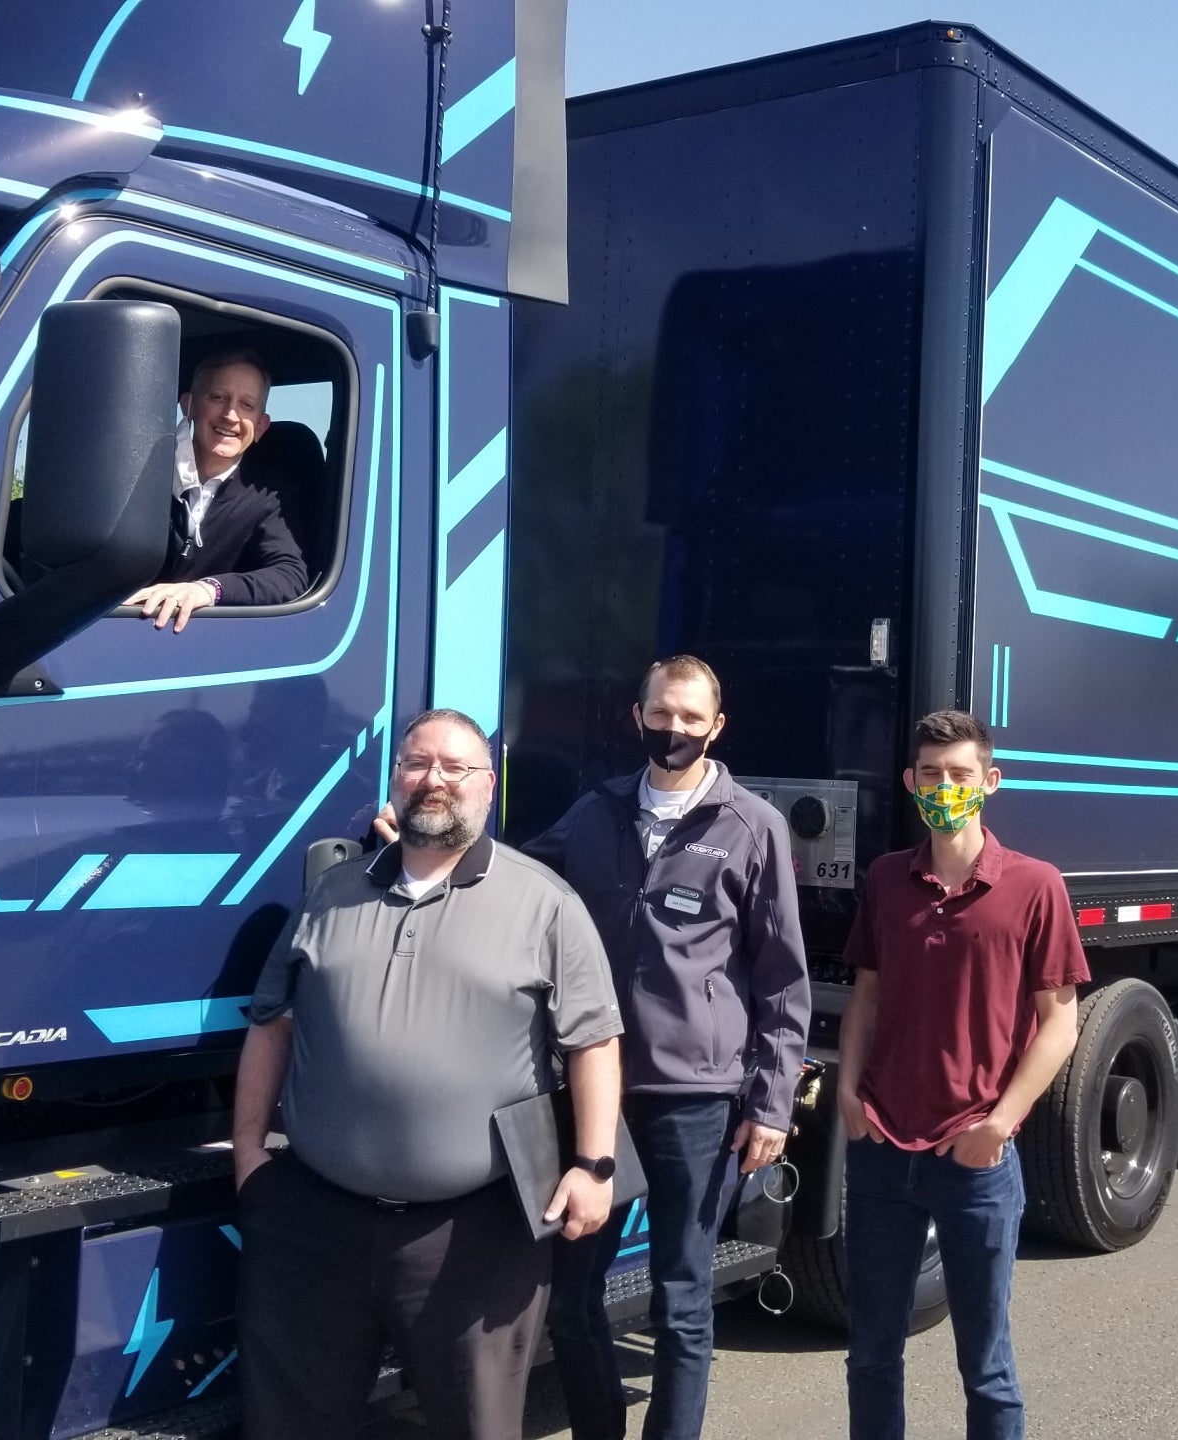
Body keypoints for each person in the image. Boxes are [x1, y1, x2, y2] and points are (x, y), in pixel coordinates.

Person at [231, 708, 624, 1439]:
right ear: (395, 779)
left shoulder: (543, 903)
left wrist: (593, 1166)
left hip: (474, 1233)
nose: (434, 780)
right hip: (318, 1221)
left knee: (474, 1426)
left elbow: (594, 1042)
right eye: (417, 763)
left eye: (455, 767)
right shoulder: (331, 893)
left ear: (487, 785)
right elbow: (272, 1024)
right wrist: (250, 1155)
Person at [526, 655, 812, 1440]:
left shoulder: (752, 826)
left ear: (716, 726)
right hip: (595, 1090)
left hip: (699, 1095)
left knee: (680, 1298)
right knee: (572, 1293)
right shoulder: (595, 812)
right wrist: (427, 845)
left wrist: (772, 1103)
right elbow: (515, 878)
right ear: (638, 716)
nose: (675, 729)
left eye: (692, 718)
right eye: (662, 714)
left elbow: (784, 980)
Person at [836, 709, 1085, 1440]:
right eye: (932, 775)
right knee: (871, 1357)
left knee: (987, 1368)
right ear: (910, 782)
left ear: (990, 782)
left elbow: (1060, 1022)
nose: (945, 787)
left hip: (975, 1162)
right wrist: (849, 1093)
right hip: (881, 1151)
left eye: (961, 775)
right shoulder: (886, 880)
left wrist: (999, 1124)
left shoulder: (1035, 886)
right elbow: (867, 998)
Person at [127, 349, 308, 631]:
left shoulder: (269, 495)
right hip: (116, 630)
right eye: (218, 397)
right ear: (188, 405)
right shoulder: (139, 471)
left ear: (260, 426)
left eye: (246, 405)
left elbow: (290, 575)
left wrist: (210, 590)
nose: (230, 415)